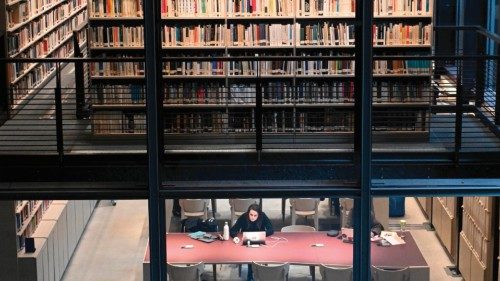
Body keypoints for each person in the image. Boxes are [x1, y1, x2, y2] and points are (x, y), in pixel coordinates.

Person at [229, 203, 274, 281]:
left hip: (259, 242)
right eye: (251, 214)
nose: (252, 217)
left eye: (255, 215)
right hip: (246, 243)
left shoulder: (263, 216)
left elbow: (271, 229)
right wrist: (235, 237)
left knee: (255, 255)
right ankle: (250, 276)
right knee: (251, 255)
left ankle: (253, 275)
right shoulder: (244, 216)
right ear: (248, 213)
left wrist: (261, 235)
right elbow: (233, 230)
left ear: (259, 215)